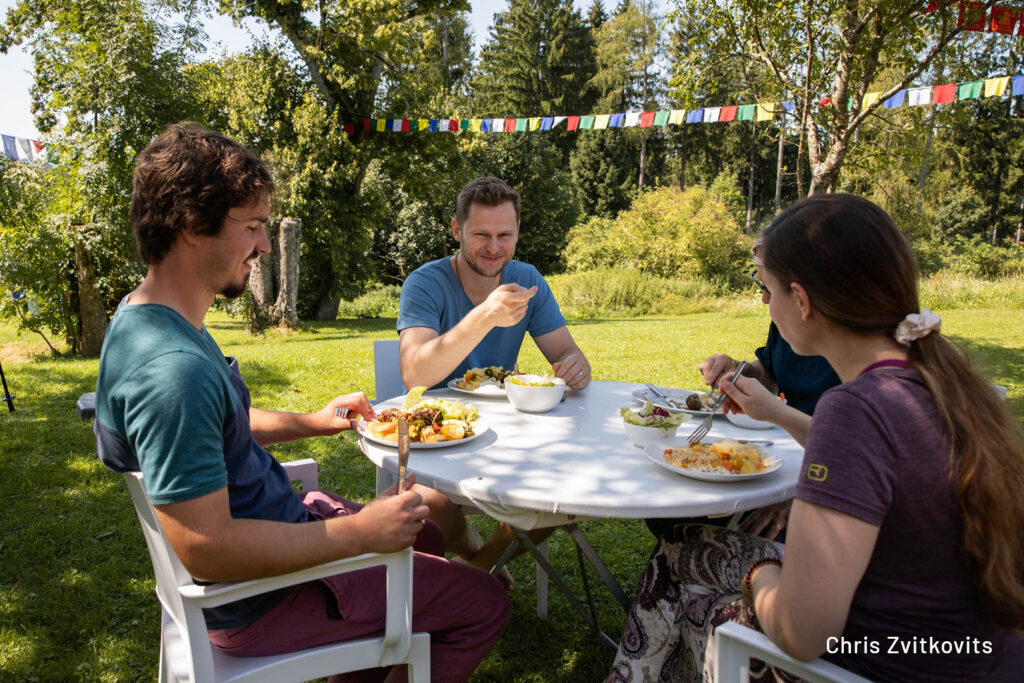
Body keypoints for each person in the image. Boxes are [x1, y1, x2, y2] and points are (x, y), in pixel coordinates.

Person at [93, 123, 508, 683]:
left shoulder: (144, 319)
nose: (264, 245)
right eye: (254, 226)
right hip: (260, 600)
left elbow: (219, 427)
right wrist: (357, 537)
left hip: (274, 542)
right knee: (482, 602)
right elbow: (207, 547)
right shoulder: (173, 372)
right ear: (193, 225)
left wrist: (314, 422)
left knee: (428, 533)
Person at [608, 194, 1024, 682]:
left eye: (766, 289)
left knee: (687, 571)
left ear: (802, 301)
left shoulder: (854, 412)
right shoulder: (942, 380)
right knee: (681, 544)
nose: (764, 302)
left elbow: (803, 633)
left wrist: (756, 573)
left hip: (881, 665)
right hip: (973, 654)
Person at [397, 176, 590, 391]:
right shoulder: (424, 283)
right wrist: (485, 317)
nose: (494, 248)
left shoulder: (528, 280)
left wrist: (575, 367)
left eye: (504, 235)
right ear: (457, 230)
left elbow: (566, 352)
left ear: (517, 230)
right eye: (481, 234)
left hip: (503, 417)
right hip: (435, 418)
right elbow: (414, 376)